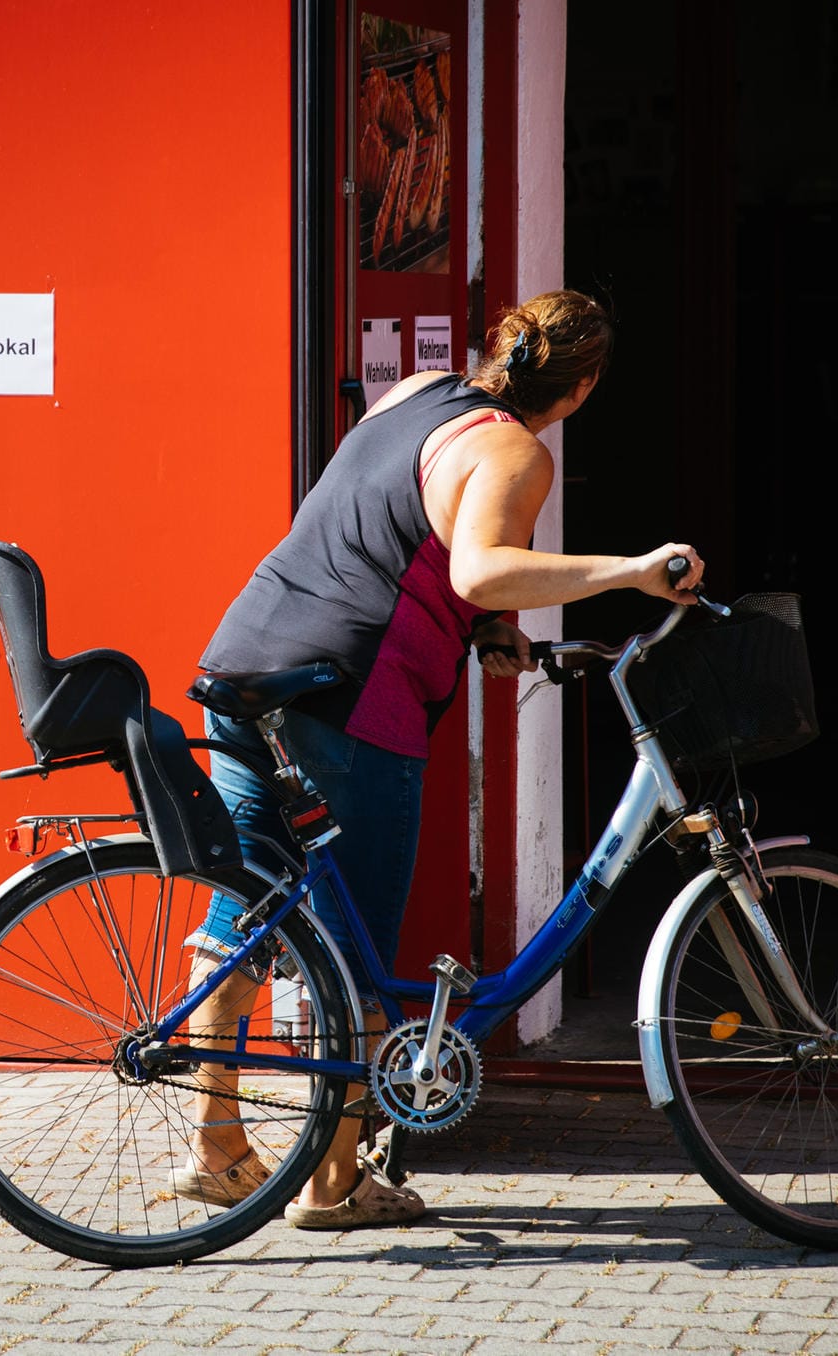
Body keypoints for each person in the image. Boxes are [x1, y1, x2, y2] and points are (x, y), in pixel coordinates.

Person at [176, 290, 704, 1228]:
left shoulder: (417, 391)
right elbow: (476, 566)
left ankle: (217, 1148)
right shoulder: (518, 450)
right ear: (581, 388)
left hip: (250, 657)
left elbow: (397, 517)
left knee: (246, 911)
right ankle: (331, 1185)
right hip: (351, 697)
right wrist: (628, 571)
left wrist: (491, 627)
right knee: (356, 956)